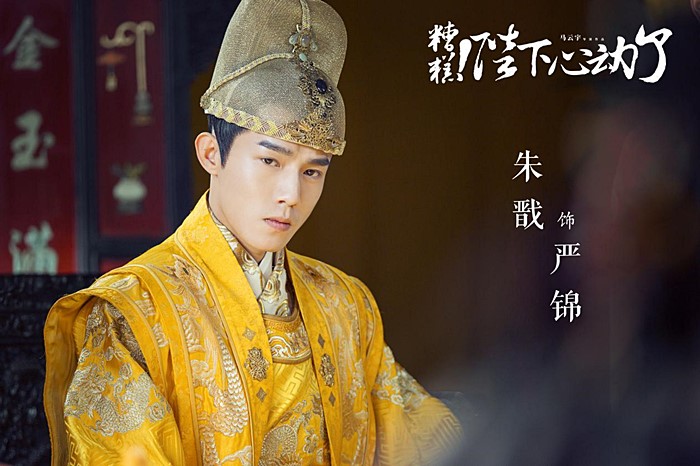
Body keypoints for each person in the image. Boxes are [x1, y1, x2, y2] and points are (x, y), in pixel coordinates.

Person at [43, 0, 462, 464]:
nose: (291, 194)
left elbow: (423, 441)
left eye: (312, 171)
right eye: (270, 160)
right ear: (211, 154)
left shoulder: (345, 305)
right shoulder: (134, 313)